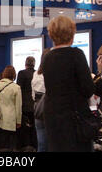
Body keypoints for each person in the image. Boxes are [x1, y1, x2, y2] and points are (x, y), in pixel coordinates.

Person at [42, 16, 95, 152]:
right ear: (72, 33)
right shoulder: (76, 55)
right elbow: (88, 88)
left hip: (52, 118)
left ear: (51, 34)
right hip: (74, 119)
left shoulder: (47, 58)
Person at [0, 65, 22, 152]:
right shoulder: (16, 88)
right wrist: (18, 121)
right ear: (14, 75)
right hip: (10, 120)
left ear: (4, 74)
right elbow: (18, 107)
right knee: (8, 144)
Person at [16, 56, 37, 151]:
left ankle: (24, 147)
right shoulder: (37, 74)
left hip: (24, 106)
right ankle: (34, 147)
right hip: (35, 106)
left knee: (24, 129)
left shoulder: (21, 73)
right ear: (34, 64)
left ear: (26, 64)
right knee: (34, 128)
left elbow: (18, 89)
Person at [31, 48, 50, 152]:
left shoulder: (36, 74)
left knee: (41, 144)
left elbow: (33, 95)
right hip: (50, 111)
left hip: (38, 111)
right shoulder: (52, 74)